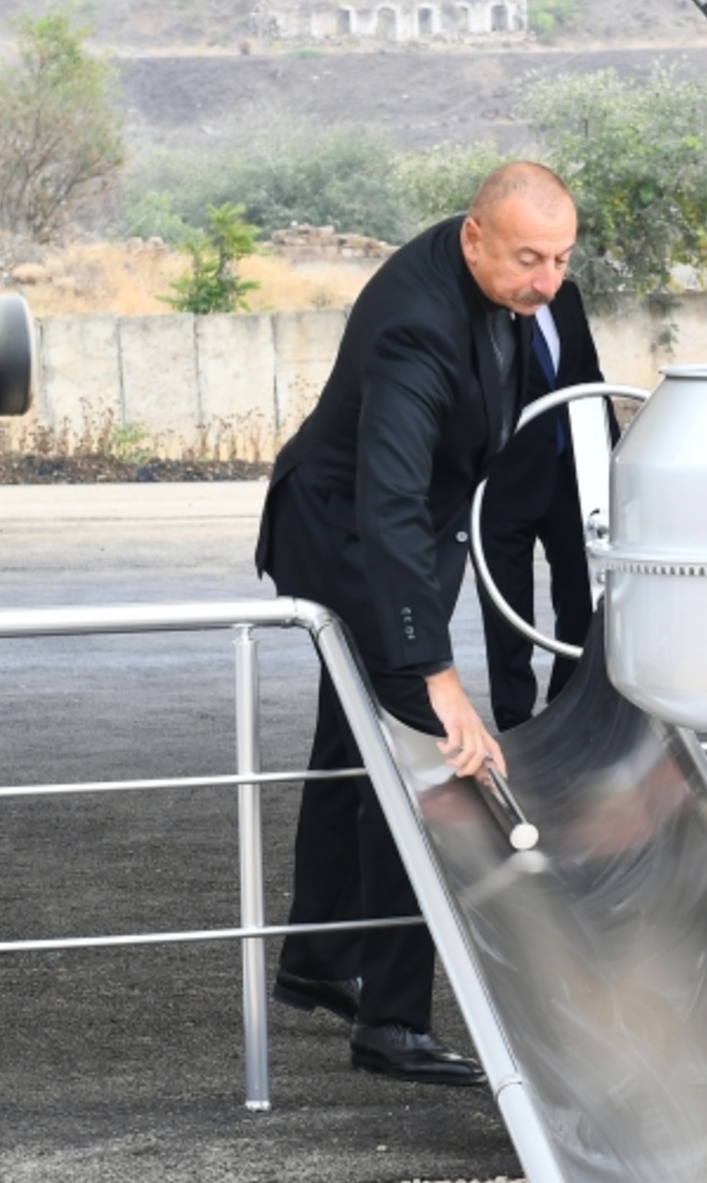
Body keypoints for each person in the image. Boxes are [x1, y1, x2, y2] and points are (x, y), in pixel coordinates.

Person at [253, 162, 577, 1085]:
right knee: (428, 751)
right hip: (347, 536)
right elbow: (387, 501)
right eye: (529, 259)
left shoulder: (505, 276)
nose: (547, 281)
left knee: (350, 744)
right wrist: (436, 672)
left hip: (406, 534)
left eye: (561, 259)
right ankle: (391, 1022)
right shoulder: (416, 326)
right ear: (474, 237)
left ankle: (319, 960)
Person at [477, 278, 604, 730]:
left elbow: (587, 374)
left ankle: (569, 705)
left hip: (571, 472)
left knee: (583, 593)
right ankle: (514, 719)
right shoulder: (481, 298)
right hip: (501, 477)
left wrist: (609, 459)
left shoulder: (566, 294)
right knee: (507, 604)